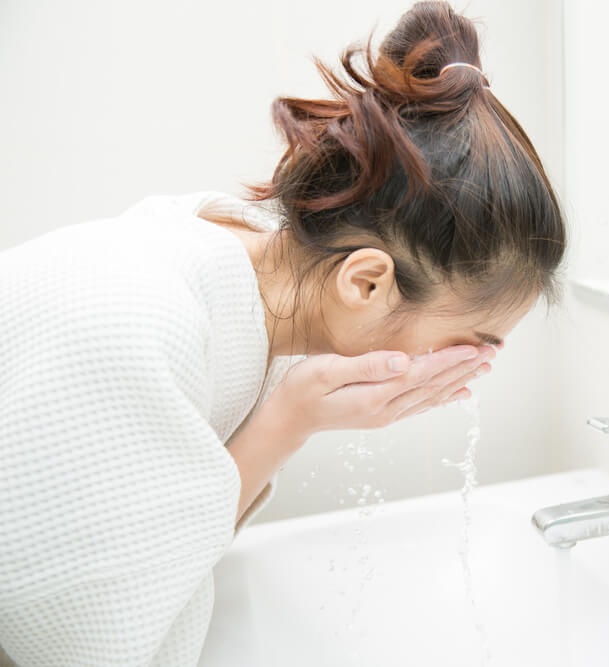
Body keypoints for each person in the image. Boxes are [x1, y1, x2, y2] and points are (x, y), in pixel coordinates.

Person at [0, 2, 565, 664]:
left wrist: (291, 418)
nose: (467, 365)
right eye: (473, 339)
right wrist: (283, 424)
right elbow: (87, 644)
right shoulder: (147, 321)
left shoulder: (245, 270)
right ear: (366, 284)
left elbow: (159, 554)